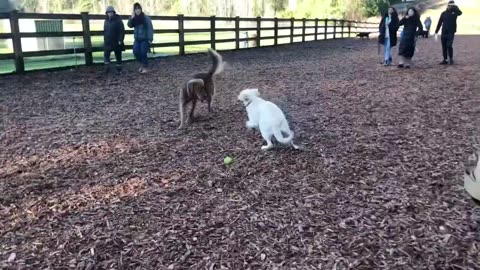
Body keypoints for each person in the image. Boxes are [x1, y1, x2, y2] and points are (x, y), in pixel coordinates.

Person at [127, 3, 154, 73]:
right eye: (136, 9)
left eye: (138, 9)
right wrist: (131, 18)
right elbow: (129, 25)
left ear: (141, 9)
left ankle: (145, 66)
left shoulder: (145, 18)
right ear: (134, 10)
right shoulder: (134, 18)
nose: (137, 11)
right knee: (135, 52)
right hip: (137, 39)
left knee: (143, 52)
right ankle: (142, 64)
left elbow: (150, 28)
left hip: (144, 39)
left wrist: (150, 38)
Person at [435, 1, 462, 65]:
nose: (450, 6)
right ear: (447, 5)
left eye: (452, 5)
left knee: (449, 45)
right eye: (450, 5)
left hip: (451, 32)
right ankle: (445, 59)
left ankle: (451, 58)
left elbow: (460, 13)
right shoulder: (443, 13)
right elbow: (439, 22)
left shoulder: (455, 12)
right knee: (444, 46)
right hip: (444, 32)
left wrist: (455, 7)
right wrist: (436, 31)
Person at [103, 6, 125, 74]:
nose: (110, 14)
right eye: (108, 12)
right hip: (108, 41)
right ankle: (107, 68)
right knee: (106, 55)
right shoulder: (106, 21)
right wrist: (105, 39)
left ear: (113, 13)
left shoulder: (118, 20)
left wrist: (120, 40)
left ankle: (119, 69)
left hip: (116, 41)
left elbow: (122, 31)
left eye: (111, 12)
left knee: (118, 55)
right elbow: (105, 31)